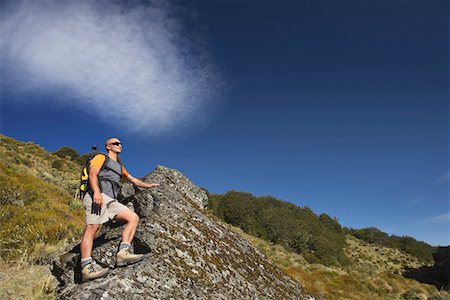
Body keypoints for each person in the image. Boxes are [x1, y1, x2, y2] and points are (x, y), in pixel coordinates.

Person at [80, 137, 159, 282]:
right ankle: (86, 268)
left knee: (133, 218)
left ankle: (122, 254)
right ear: (108, 146)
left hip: (112, 200)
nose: (119, 145)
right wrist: (96, 192)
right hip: (97, 195)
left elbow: (133, 180)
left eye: (120, 143)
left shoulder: (119, 166)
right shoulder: (100, 157)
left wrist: (149, 185)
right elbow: (93, 174)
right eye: (116, 143)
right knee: (93, 227)